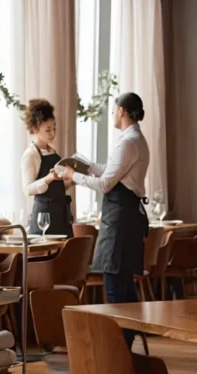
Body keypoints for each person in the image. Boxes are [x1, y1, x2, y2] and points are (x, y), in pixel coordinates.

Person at [56, 92, 149, 350]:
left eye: (113, 110)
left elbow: (107, 183)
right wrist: (83, 166)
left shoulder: (128, 142)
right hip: (125, 217)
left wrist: (72, 176)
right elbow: (110, 171)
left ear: (121, 111)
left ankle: (117, 350)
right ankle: (123, 348)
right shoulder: (134, 140)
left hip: (120, 220)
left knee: (115, 289)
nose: (112, 115)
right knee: (124, 288)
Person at [21, 98, 74, 237]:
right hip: (43, 218)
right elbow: (27, 189)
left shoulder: (53, 151)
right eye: (48, 130)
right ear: (35, 129)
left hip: (61, 215)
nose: (53, 134)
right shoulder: (31, 154)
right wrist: (49, 178)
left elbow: (58, 186)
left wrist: (72, 179)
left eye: (54, 128)